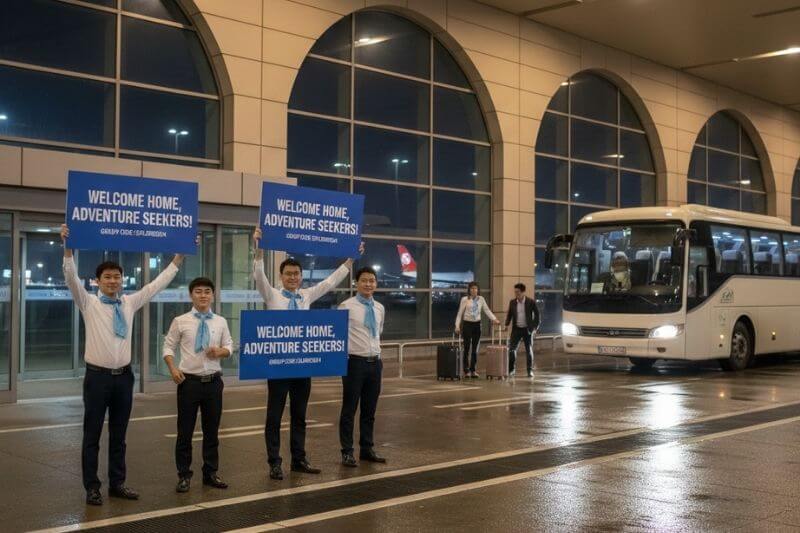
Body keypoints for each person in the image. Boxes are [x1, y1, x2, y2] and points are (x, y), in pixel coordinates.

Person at [61, 224, 185, 506]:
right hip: (97, 379)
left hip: (123, 378)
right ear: (97, 281)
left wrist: (178, 258)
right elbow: (70, 277)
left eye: (117, 277)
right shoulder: (88, 303)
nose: (113, 281)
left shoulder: (129, 303)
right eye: (107, 277)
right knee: (92, 435)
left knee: (119, 435)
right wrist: (67, 247)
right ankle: (92, 486)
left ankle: (117, 483)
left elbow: (156, 285)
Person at [252, 227, 363, 481]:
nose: (293, 277)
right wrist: (258, 248)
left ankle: (299, 459)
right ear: (280, 276)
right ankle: (275, 461)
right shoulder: (272, 296)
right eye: (288, 273)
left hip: (302, 366)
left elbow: (329, 282)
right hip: (278, 366)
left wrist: (349, 261)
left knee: (300, 415)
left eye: (296, 274)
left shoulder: (305, 296)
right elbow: (259, 276)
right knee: (274, 416)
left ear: (301, 277)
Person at [162, 276, 233, 493]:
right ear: (191, 295)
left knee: (212, 432)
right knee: (185, 432)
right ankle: (184, 475)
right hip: (188, 383)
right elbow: (167, 347)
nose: (203, 295)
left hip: (213, 382)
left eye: (207, 291)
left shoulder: (220, 321)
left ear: (213, 295)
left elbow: (229, 345)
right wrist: (173, 368)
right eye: (198, 291)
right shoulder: (181, 320)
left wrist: (221, 351)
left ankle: (210, 473)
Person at [338, 267, 386, 467]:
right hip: (354, 363)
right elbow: (338, 336)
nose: (368, 284)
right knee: (349, 409)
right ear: (356, 283)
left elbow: (378, 332)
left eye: (372, 281)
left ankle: (367, 448)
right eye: (364, 280)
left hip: (375, 363)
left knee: (369, 411)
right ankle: (347, 451)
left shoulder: (380, 308)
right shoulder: (346, 306)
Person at [454, 282, 499, 378]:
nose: (474, 290)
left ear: (478, 290)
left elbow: (487, 310)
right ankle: (466, 371)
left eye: (475, 288)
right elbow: (459, 314)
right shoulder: (465, 299)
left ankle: (473, 370)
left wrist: (494, 319)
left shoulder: (481, 299)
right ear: (469, 290)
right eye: (472, 288)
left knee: (475, 349)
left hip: (477, 325)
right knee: (466, 348)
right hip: (467, 324)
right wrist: (457, 326)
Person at [504, 283, 540, 378]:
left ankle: (529, 371)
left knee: (529, 350)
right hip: (516, 329)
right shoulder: (512, 302)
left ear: (523, 292)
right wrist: (506, 324)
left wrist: (535, 328)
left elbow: (537, 316)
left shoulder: (530, 302)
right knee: (512, 350)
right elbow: (510, 314)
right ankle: (511, 370)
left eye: (518, 292)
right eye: (515, 292)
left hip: (527, 330)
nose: (516, 294)